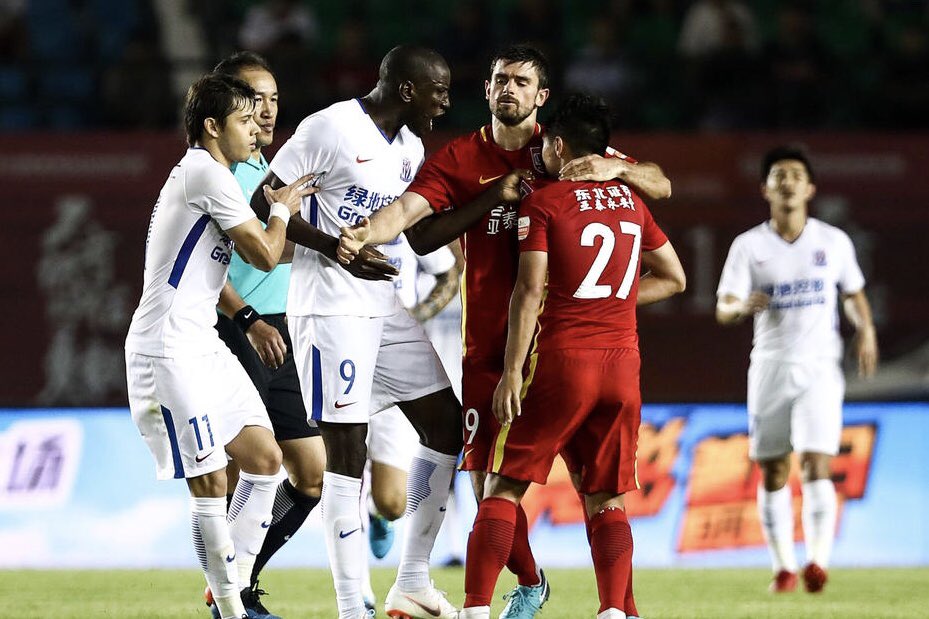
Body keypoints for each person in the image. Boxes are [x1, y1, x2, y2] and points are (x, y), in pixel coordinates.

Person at [338, 44, 672, 619]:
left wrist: (617, 167)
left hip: (562, 350)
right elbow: (412, 219)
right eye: (498, 80)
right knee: (487, 488)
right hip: (492, 351)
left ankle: (497, 603)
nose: (507, 89)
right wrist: (365, 232)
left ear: (541, 97)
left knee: (519, 488)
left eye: (520, 81)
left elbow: (659, 183)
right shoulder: (463, 158)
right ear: (487, 89)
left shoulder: (565, 149)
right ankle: (537, 581)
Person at [250, 45, 462, 619]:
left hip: (386, 305)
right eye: (439, 90)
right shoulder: (331, 127)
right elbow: (261, 199)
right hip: (329, 310)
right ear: (408, 89)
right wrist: (334, 249)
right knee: (347, 453)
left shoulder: (412, 148)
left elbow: (417, 236)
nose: (445, 102)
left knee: (447, 423)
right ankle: (353, 608)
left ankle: (412, 581)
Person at [457, 93, 686, 619]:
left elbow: (528, 291)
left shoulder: (546, 202)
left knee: (503, 485)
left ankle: (473, 610)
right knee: (606, 498)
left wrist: (511, 372)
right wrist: (607, 297)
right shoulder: (632, 203)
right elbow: (674, 278)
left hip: (561, 361)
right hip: (623, 366)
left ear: (558, 145)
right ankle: (611, 612)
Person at [124, 73, 315, 619]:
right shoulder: (206, 172)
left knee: (265, 459)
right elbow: (262, 253)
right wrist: (281, 208)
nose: (256, 127)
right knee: (210, 481)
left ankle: (231, 588)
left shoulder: (216, 174)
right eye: (242, 118)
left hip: (202, 342)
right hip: (167, 349)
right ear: (212, 126)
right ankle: (232, 611)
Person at [716, 145, 878, 594]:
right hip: (769, 368)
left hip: (820, 369)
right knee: (772, 470)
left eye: (795, 175)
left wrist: (865, 330)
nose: (787, 181)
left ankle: (818, 563)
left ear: (810, 188)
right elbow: (723, 307)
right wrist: (740, 307)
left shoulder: (833, 241)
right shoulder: (749, 246)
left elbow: (854, 293)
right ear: (765, 188)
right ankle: (783, 567)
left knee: (816, 462)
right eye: (778, 175)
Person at [207, 51, 326, 618]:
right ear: (228, 105)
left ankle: (237, 581)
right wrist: (245, 319)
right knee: (247, 471)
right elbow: (202, 271)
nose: (268, 110)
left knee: (310, 474)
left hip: (279, 330)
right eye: (256, 99)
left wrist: (340, 247)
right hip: (237, 329)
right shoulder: (219, 174)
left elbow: (273, 255)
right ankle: (230, 597)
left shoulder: (266, 172)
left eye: (275, 98)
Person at [360, 237, 462, 611]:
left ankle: (377, 514)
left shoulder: (408, 221)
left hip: (395, 367)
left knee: (393, 502)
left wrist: (417, 315)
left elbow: (449, 273)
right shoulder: (335, 208)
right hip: (345, 354)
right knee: (342, 469)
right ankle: (359, 596)